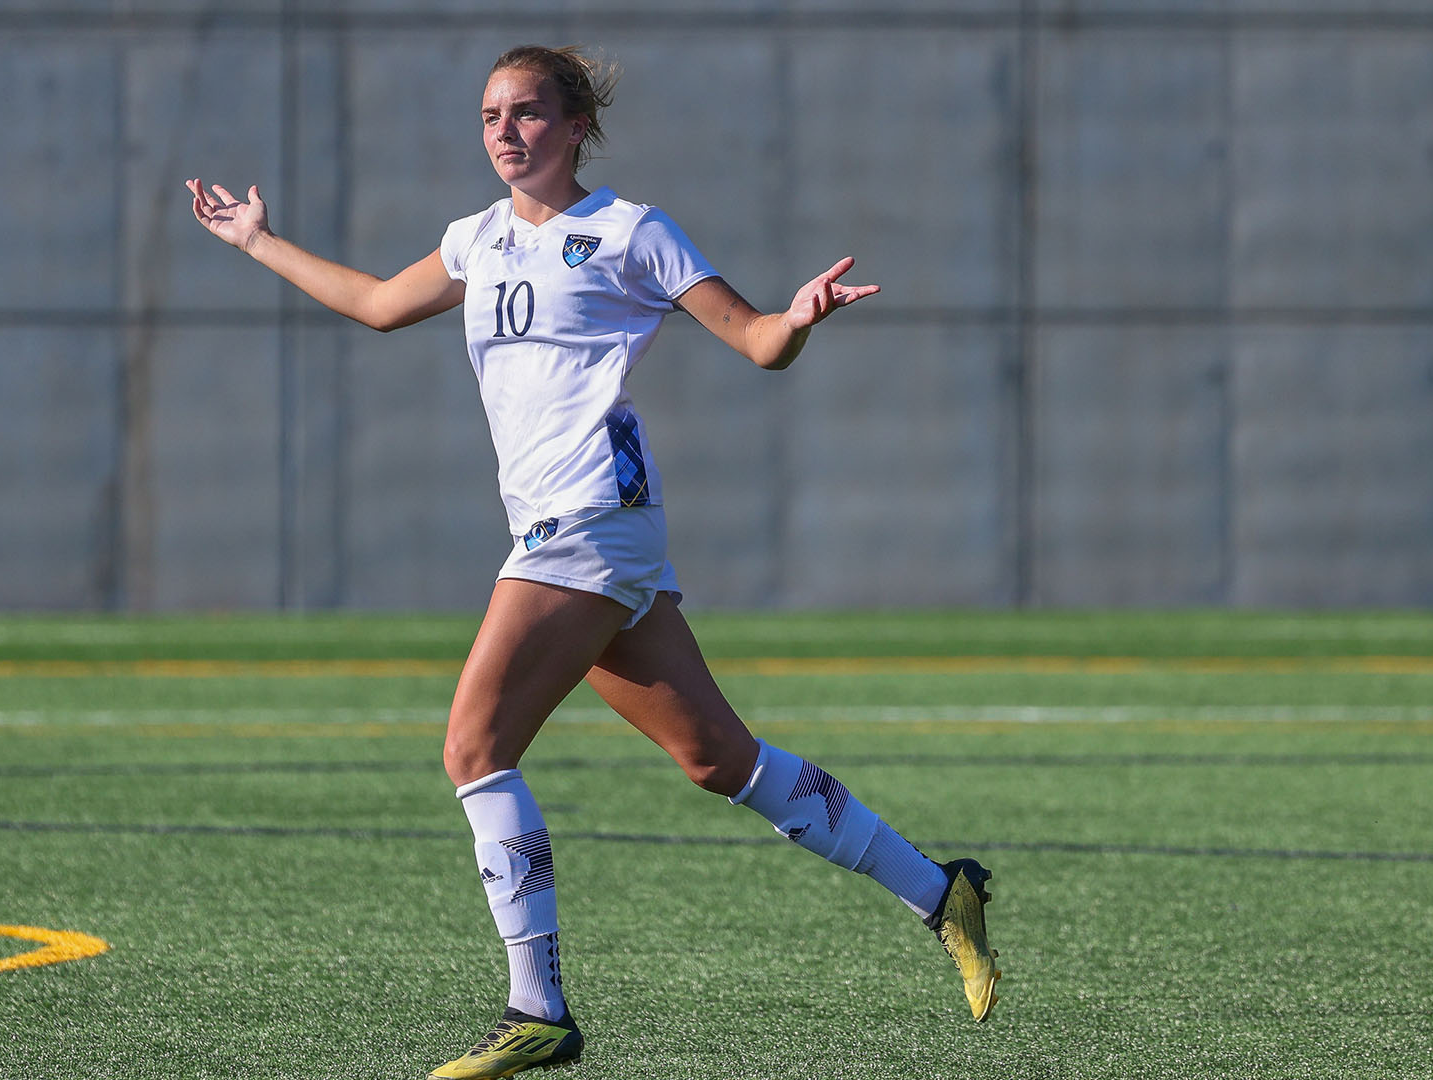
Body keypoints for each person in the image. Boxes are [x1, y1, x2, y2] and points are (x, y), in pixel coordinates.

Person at [187, 43, 999, 1080]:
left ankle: (538, 1009)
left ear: (576, 127)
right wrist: (258, 242)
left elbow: (752, 339)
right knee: (723, 762)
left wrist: (796, 321)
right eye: (490, 117)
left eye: (527, 114)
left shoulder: (629, 234)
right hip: (582, 529)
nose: (505, 134)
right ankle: (943, 893)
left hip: (588, 519)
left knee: (474, 746)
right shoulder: (475, 240)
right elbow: (377, 305)